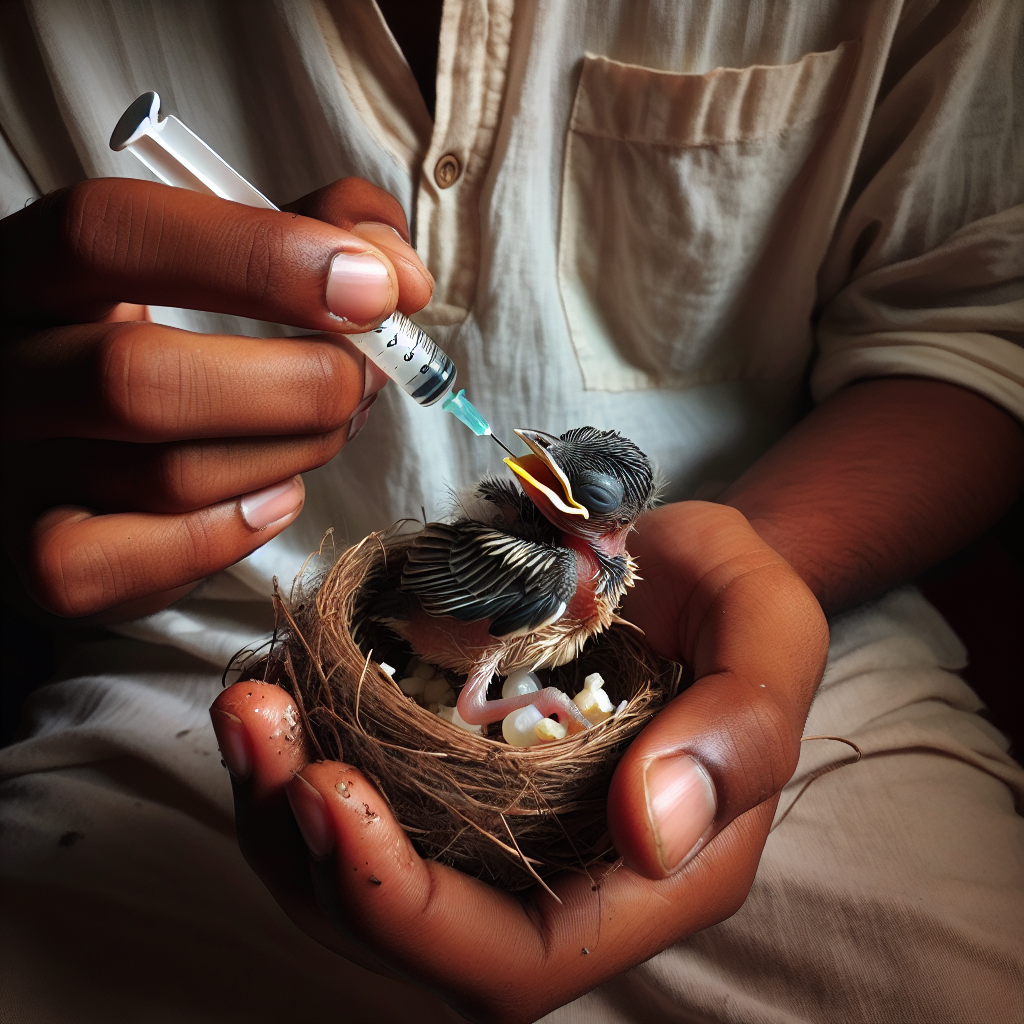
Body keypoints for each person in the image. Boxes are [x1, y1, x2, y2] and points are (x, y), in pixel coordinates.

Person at [1, 1, 1022, 1021]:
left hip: (819, 654)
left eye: (614, 532)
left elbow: (970, 321)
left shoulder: (597, 572)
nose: (610, 550)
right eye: (596, 528)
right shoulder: (541, 572)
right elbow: (446, 635)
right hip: (198, 678)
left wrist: (746, 559)